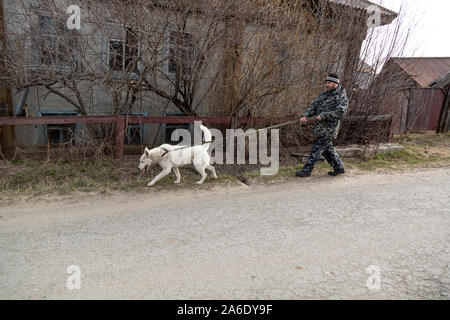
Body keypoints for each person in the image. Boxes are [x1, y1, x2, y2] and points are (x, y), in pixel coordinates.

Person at [296, 73, 348, 178]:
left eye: (329, 83)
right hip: (320, 128)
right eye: (326, 83)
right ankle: (339, 168)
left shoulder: (341, 96)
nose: (326, 85)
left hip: (329, 129)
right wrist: (305, 115)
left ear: (335, 83)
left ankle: (307, 170)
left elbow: (341, 112)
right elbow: (314, 106)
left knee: (317, 149)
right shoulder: (324, 94)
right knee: (327, 150)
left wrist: (324, 116)